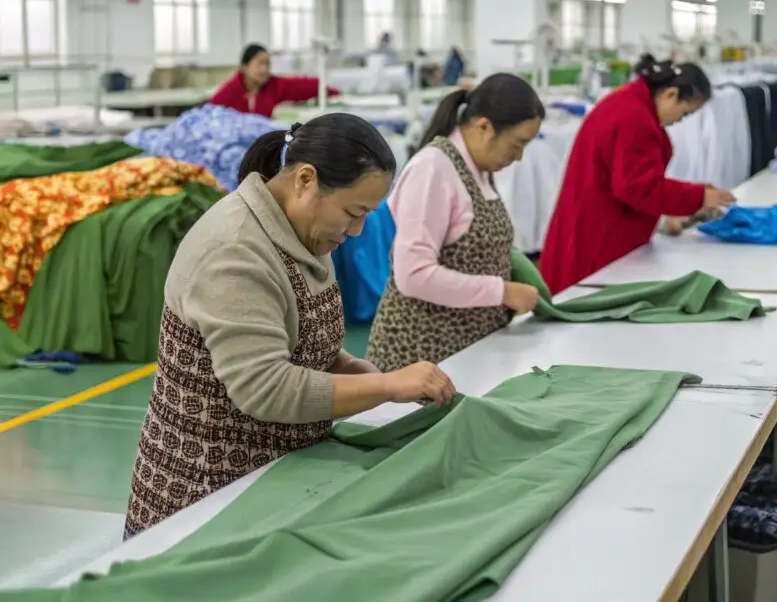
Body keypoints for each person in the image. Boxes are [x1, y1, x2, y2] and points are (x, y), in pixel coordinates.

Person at [123, 113, 456, 538]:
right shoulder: (236, 250)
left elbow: (295, 338)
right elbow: (266, 387)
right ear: (305, 179)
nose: (356, 230)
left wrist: (353, 370)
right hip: (208, 492)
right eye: (353, 212)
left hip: (272, 475)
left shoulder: (302, 230)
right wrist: (388, 387)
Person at [367, 74, 545, 372]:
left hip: (469, 349)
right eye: (517, 144)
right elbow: (413, 275)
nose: (519, 158)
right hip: (423, 355)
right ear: (484, 127)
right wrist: (502, 291)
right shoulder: (433, 169)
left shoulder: (478, 168)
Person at [539, 55, 735, 295]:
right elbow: (638, 187)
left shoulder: (629, 102)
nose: (680, 121)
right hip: (598, 239)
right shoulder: (635, 118)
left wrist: (664, 220)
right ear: (671, 94)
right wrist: (699, 196)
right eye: (683, 114)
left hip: (596, 223)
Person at [208, 43, 339, 118]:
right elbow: (208, 115)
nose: (265, 69)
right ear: (244, 67)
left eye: (267, 64)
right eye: (260, 64)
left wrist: (329, 90)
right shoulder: (229, 92)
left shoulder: (274, 85)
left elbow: (303, 86)